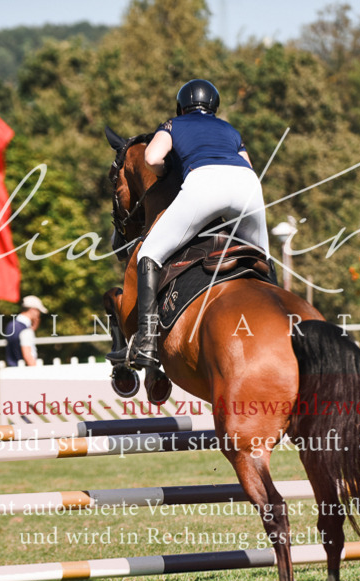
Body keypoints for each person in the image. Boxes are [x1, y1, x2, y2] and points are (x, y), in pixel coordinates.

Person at [124, 78, 270, 371]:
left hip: (205, 185)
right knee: (263, 256)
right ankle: (280, 313)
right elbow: (249, 166)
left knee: (148, 253)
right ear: (214, 106)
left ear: (181, 107)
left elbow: (152, 158)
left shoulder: (172, 125)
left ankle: (148, 341)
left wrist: (168, 170)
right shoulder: (230, 129)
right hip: (247, 186)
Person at [3, 295, 48, 366]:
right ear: (33, 310)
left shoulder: (11, 325)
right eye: (38, 311)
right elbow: (28, 356)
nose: (38, 315)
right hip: (24, 371)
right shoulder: (26, 330)